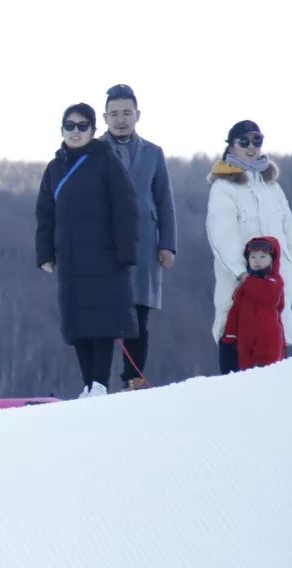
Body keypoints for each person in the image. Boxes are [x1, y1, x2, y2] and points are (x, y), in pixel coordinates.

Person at [35, 102, 140, 398]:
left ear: (94, 130)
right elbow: (45, 213)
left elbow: (126, 207)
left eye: (83, 126)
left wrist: (126, 251)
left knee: (102, 321)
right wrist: (44, 254)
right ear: (62, 130)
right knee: (77, 322)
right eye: (70, 126)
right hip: (70, 257)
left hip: (105, 255)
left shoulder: (106, 160)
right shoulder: (54, 168)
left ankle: (100, 383)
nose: (76, 131)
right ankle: (87, 384)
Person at [100, 84, 178, 390]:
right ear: (105, 117)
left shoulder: (153, 153)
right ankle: (98, 381)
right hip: (105, 244)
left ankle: (133, 377)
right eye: (115, 114)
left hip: (145, 244)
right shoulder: (95, 151)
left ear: (138, 115)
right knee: (104, 313)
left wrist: (168, 245)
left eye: (127, 113)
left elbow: (165, 202)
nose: (121, 119)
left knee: (139, 313)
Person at [206, 120, 292, 373]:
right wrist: (244, 275)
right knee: (238, 366)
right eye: (243, 141)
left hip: (275, 290)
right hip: (240, 289)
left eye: (257, 141)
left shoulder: (272, 186)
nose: (251, 147)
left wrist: (290, 277)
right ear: (231, 147)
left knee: (275, 368)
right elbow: (221, 235)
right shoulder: (224, 187)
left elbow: (289, 234)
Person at [220, 236, 285, 371]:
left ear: (272, 260)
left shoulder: (275, 281)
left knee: (266, 377)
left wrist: (246, 279)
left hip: (269, 341)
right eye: (253, 257)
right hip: (244, 342)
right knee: (246, 378)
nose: (257, 261)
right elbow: (235, 314)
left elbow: (269, 296)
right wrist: (229, 337)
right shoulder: (242, 289)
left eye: (263, 257)